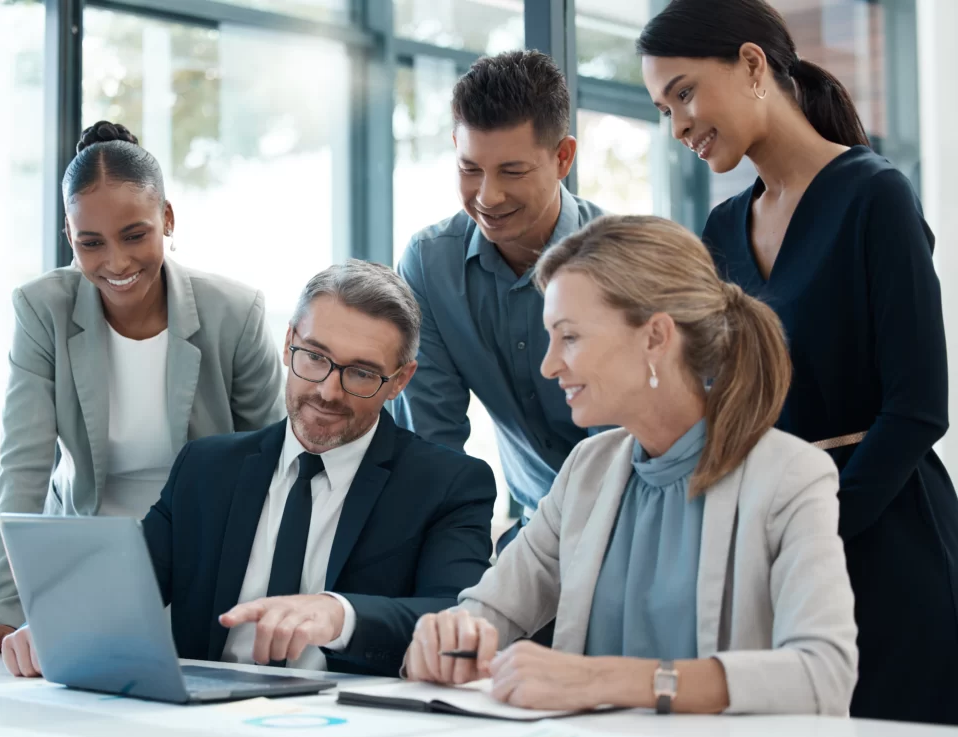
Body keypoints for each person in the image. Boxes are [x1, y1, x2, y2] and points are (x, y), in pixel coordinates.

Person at [637, 0, 958, 724]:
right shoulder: (721, 228)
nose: (678, 125)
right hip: (776, 548)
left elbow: (918, 409)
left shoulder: (876, 196)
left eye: (684, 92)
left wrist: (817, 534)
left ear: (753, 65)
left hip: (887, 543)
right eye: (662, 108)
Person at [403, 216, 859, 716]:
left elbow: (823, 674)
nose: (549, 365)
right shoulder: (588, 470)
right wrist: (451, 633)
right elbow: (492, 610)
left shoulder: (789, 476)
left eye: (570, 337)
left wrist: (603, 679)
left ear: (655, 338)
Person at [0, 260, 496, 679]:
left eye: (361, 373)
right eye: (314, 358)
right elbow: (128, 589)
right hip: (205, 719)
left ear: (400, 380)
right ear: (287, 344)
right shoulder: (206, 469)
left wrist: (337, 613)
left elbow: (456, 616)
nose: (327, 390)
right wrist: (56, 628)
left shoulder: (448, 485)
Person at [0, 121, 286, 662]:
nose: (117, 263)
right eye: (90, 243)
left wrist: (275, 589)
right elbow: (22, 467)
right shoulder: (41, 310)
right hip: (86, 551)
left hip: (203, 549)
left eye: (135, 235)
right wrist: (1, 608)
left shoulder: (235, 312)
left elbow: (273, 463)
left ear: (167, 219)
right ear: (69, 236)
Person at [393, 50, 606, 554]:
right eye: (470, 168)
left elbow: (632, 449)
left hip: (631, 522)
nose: (487, 196)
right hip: (532, 534)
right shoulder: (429, 264)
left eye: (512, 171)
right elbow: (433, 443)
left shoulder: (621, 259)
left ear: (563, 158)